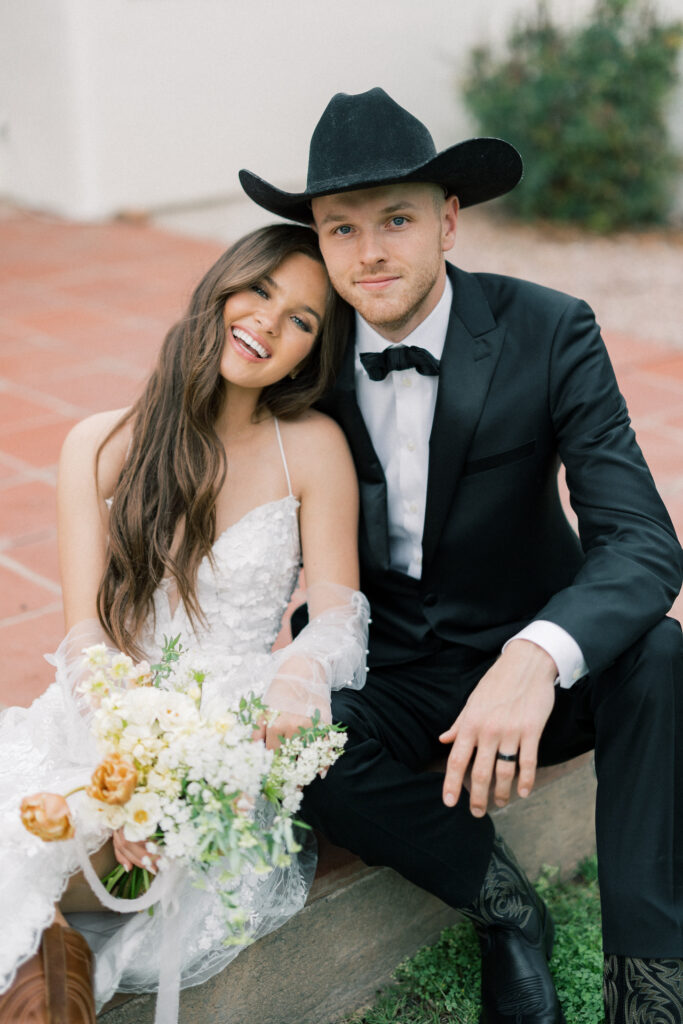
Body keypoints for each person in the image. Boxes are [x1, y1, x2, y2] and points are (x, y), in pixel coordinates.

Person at [239, 87, 683, 1024]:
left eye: (396, 219)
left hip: (537, 668)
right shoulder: (305, 358)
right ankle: (501, 909)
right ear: (316, 242)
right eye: (340, 228)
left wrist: (536, 654)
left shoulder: (549, 329)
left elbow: (641, 541)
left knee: (661, 654)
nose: (369, 254)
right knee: (296, 747)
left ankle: (648, 982)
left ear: (448, 220)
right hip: (395, 671)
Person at [0, 223, 370, 1021]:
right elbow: (86, 636)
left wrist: (301, 671)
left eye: (302, 320)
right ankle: (48, 958)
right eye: (260, 291)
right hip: (106, 720)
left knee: (135, 860)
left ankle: (53, 954)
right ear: (221, 287)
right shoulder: (97, 443)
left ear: (312, 353)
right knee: (38, 829)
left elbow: (339, 612)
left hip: (227, 752)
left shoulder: (309, 446)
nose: (269, 324)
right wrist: (129, 771)